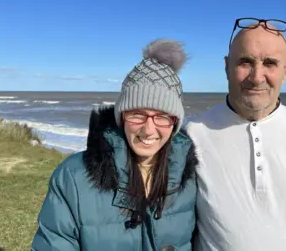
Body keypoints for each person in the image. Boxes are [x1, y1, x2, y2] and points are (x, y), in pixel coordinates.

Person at [185, 18, 286, 250]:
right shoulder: (195, 132)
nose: (256, 77)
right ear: (227, 67)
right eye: (245, 62)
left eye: (270, 63)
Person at [31, 39, 199, 250]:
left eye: (162, 116)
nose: (148, 129)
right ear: (121, 116)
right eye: (137, 114)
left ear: (175, 122)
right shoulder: (72, 178)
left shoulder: (191, 177)